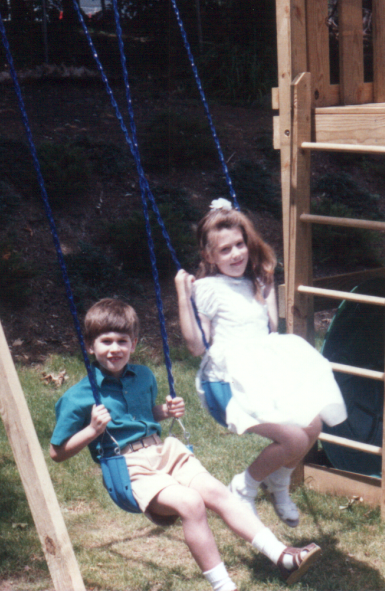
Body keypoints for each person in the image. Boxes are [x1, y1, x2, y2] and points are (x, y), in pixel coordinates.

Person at [50, 298, 321, 590]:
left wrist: (163, 412)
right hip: (129, 468)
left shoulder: (143, 376)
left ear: (134, 343)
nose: (114, 349)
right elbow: (57, 452)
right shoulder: (79, 396)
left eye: (122, 341)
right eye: (105, 341)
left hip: (164, 451)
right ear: (90, 346)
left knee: (217, 492)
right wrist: (91, 431)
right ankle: (223, 586)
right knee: (191, 503)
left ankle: (281, 555)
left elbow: (141, 414)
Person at [174, 199, 347, 528]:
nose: (236, 254)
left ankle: (278, 483)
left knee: (313, 425)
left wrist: (267, 288)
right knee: (294, 440)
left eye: (240, 244)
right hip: (225, 385)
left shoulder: (252, 281)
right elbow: (197, 346)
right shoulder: (208, 288)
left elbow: (270, 329)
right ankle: (244, 487)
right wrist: (183, 296)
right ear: (209, 257)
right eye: (225, 250)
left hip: (259, 376)